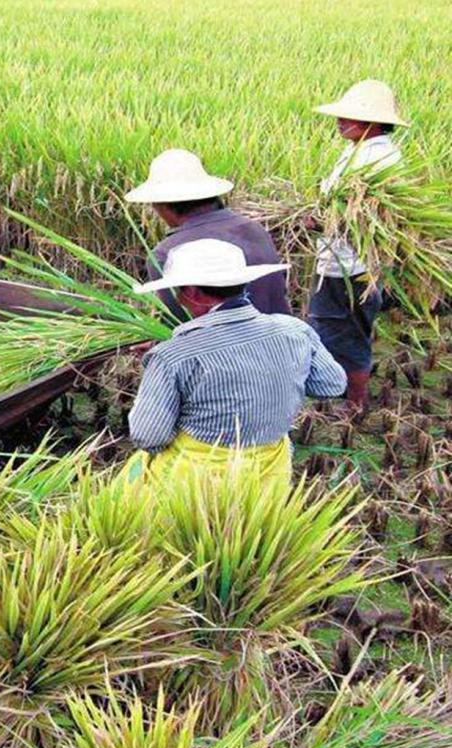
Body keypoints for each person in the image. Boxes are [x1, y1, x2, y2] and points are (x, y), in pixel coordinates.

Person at [126, 239, 346, 483]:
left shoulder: (171, 357)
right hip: (270, 474)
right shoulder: (295, 331)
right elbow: (331, 385)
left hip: (196, 485)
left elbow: (149, 437)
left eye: (178, 290)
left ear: (192, 292)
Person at [306, 79, 407, 412]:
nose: (340, 121)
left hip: (349, 267)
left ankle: (354, 405)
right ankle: (342, 397)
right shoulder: (359, 151)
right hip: (347, 261)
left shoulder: (376, 160)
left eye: (350, 116)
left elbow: (367, 217)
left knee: (345, 332)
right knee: (339, 329)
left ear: (375, 122)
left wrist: (322, 221)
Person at [126, 149, 289, 320]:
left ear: (161, 205)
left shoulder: (167, 254)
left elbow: (179, 322)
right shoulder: (254, 229)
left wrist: (158, 344)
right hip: (284, 338)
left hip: (223, 345)